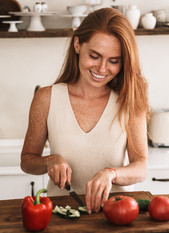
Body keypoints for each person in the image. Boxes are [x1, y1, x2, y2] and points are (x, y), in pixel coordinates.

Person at [21, 7, 149, 214]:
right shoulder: (46, 98)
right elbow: (27, 161)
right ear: (77, 44)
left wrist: (111, 174)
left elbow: (141, 166)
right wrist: (49, 161)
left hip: (117, 214)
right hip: (60, 213)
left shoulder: (130, 101)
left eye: (114, 61)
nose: (102, 68)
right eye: (95, 56)